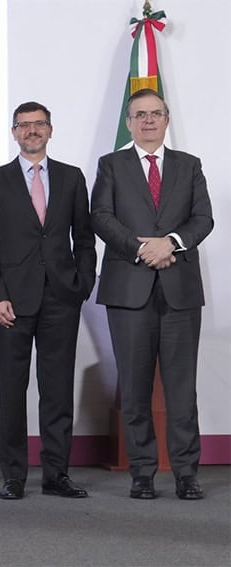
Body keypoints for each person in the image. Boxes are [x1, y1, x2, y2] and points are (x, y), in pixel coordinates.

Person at [91, 88, 213, 500]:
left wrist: (171, 242)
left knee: (182, 389)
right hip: (129, 288)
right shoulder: (111, 165)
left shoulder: (189, 165)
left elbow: (203, 218)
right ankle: (142, 472)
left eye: (155, 114)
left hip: (180, 290)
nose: (147, 121)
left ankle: (185, 473)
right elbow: (100, 216)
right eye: (139, 114)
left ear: (166, 119)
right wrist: (143, 247)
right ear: (128, 122)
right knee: (135, 386)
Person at [0, 101, 96, 500]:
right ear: (14, 132)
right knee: (12, 390)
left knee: (57, 389)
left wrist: (81, 286)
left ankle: (56, 474)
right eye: (24, 125)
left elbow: (84, 238)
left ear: (50, 129)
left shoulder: (72, 177)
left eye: (38, 124)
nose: (32, 131)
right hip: (10, 302)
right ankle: (13, 475)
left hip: (62, 298)